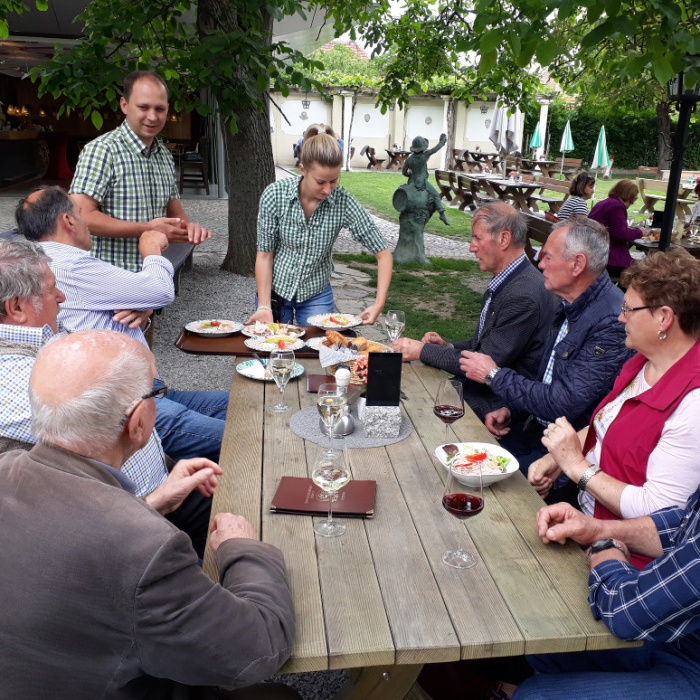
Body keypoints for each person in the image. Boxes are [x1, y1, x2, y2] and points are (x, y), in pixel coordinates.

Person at [0, 328, 295, 698]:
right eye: (157, 392)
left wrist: (152, 502)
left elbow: (66, 533)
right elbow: (259, 650)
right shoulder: (146, 547)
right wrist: (243, 549)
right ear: (137, 421)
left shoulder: (7, 467)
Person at [0, 239, 216, 557]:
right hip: (131, 530)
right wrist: (136, 364)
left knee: (245, 495)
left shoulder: (44, 329)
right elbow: (116, 407)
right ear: (17, 308)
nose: (62, 297)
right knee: (244, 454)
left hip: (161, 490)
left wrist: (143, 312)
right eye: (51, 290)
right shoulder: (12, 375)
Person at [15, 186, 229, 465]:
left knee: (238, 405)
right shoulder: (69, 264)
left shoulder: (46, 262)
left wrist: (144, 309)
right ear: (68, 222)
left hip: (148, 392)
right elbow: (159, 290)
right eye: (81, 214)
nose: (86, 223)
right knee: (243, 434)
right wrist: (151, 248)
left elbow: (141, 296)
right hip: (128, 405)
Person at [529, 249, 700, 567]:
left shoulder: (693, 405)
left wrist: (575, 466)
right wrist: (556, 457)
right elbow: (607, 422)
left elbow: (659, 514)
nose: (621, 317)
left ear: (664, 317)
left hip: (622, 564)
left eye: (628, 309)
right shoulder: (644, 361)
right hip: (587, 523)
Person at [459, 218, 631, 478]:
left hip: (565, 461)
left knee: (471, 474)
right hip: (536, 434)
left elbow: (564, 403)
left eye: (548, 256)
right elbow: (548, 379)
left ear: (577, 264)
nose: (539, 263)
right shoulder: (571, 303)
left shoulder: (611, 322)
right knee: (458, 451)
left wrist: (494, 375)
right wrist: (512, 410)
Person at [512, 493, 700, 699]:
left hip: (692, 663)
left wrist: (605, 549)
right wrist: (599, 529)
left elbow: (625, 612)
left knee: (535, 696)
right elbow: (684, 526)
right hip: (683, 638)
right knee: (546, 647)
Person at [391, 202, 558, 420]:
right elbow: (488, 342)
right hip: (486, 393)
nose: (471, 247)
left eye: (477, 238)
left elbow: (484, 361)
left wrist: (421, 351)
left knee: (409, 407)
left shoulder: (523, 295)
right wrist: (448, 347)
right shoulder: (513, 278)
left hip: (497, 405)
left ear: (504, 239)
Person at [249, 124, 393, 326]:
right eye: (320, 181)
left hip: (316, 295)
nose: (328, 190)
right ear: (303, 170)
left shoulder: (344, 202)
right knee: (273, 352)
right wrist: (264, 306)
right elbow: (264, 254)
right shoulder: (275, 195)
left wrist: (378, 304)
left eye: (334, 181)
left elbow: (383, 253)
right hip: (275, 292)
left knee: (319, 353)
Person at [69, 70, 212, 272]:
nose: (152, 116)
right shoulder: (103, 150)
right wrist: (147, 229)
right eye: (143, 107)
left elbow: (174, 211)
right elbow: (80, 217)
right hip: (110, 277)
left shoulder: (163, 155)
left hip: (153, 274)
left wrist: (189, 229)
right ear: (124, 105)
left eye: (160, 109)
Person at [588, 178, 647, 278]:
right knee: (645, 271)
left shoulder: (602, 203)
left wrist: (626, 229)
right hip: (609, 260)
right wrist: (639, 232)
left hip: (594, 255)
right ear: (629, 197)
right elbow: (620, 235)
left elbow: (611, 228)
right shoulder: (617, 206)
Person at [402, 133, 450, 225]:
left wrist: (410, 175)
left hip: (411, 182)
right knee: (436, 194)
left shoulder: (409, 159)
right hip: (421, 182)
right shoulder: (425, 156)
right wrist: (442, 142)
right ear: (422, 148)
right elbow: (435, 149)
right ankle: (442, 213)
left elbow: (404, 172)